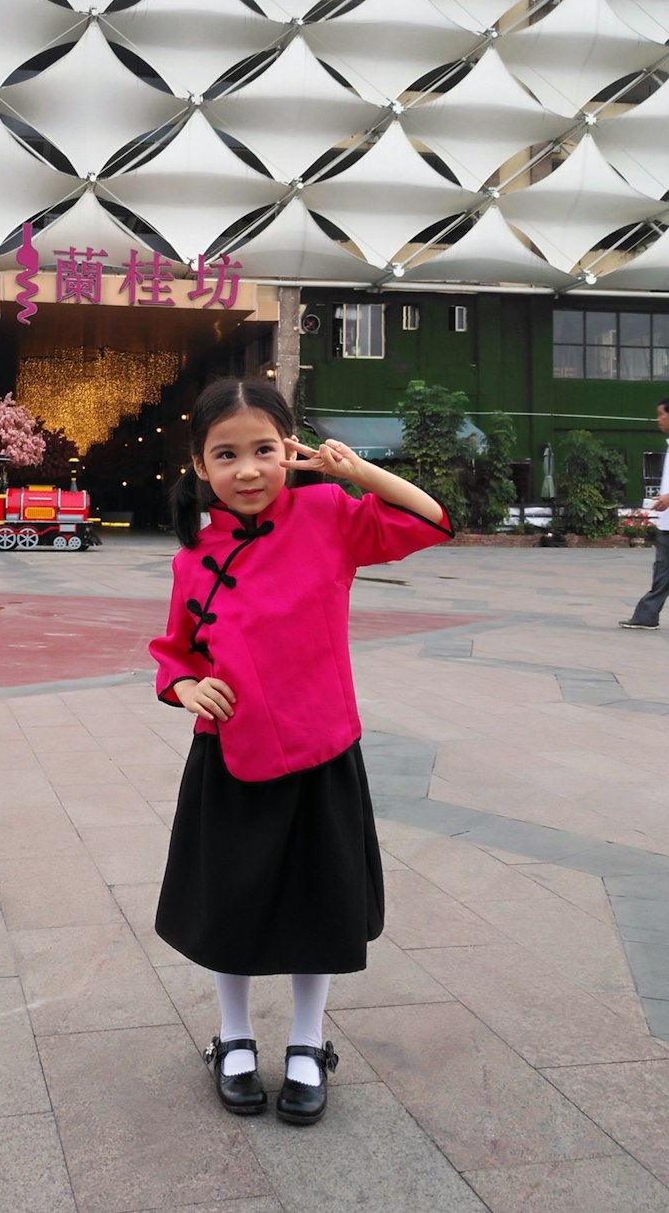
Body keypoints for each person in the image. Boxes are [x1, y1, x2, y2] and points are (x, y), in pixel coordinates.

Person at [149, 377, 452, 1126]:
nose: (247, 471)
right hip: (232, 754)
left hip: (321, 748)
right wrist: (186, 688)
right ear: (199, 465)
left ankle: (311, 1042)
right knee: (230, 903)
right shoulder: (195, 555)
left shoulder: (328, 514)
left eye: (263, 450)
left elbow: (433, 520)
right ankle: (235, 1036)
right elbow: (175, 652)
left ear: (290, 449)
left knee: (322, 902)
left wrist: (357, 474)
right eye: (227, 455)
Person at [619, 397, 669, 630]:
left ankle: (646, 615)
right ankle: (646, 615)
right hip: (666, 524)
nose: (658, 419)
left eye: (661, 414)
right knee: (662, 571)